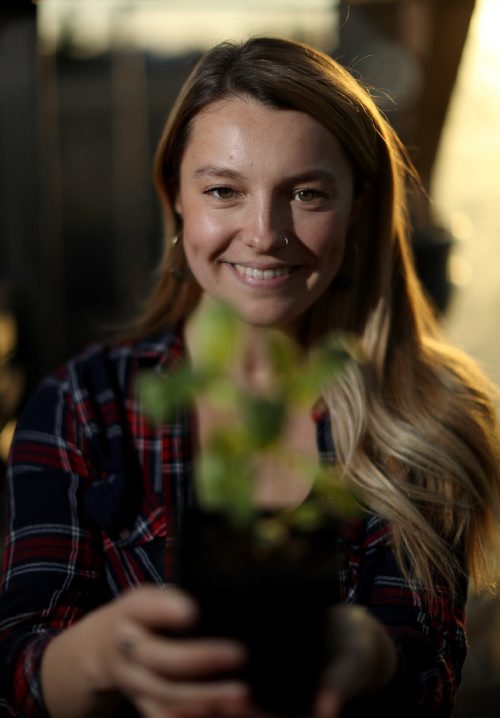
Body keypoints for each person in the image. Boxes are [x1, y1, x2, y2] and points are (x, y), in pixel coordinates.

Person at [1, 36, 499, 718]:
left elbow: (429, 669)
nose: (264, 232)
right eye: (224, 190)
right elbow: (18, 666)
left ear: (357, 206)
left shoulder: (424, 414)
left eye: (308, 193)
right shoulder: (82, 408)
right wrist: (97, 656)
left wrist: (371, 652)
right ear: (176, 196)